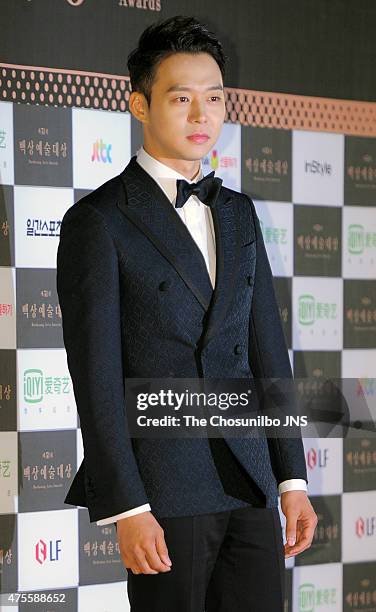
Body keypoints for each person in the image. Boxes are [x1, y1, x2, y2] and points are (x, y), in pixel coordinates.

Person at [56, 15, 318, 611]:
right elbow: (94, 378)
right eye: (181, 98)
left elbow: (266, 351)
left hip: (247, 477)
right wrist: (127, 505)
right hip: (163, 488)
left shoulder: (239, 213)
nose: (203, 116)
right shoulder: (99, 222)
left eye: (215, 98)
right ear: (139, 106)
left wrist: (291, 480)